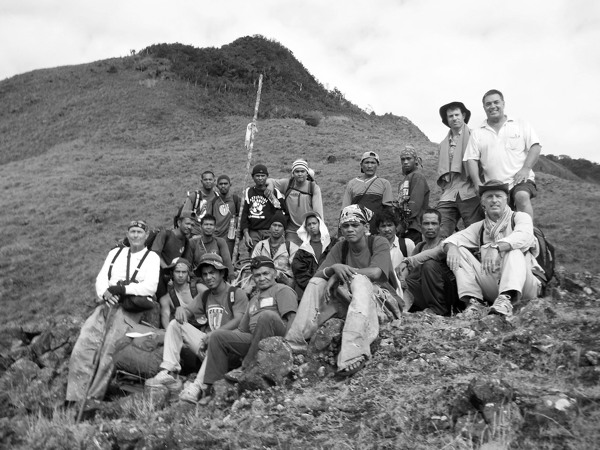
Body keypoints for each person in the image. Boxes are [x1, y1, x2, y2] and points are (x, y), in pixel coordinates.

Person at [286, 205, 401, 377]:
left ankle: (353, 352)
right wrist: (334, 268)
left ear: (366, 227)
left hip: (381, 303)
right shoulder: (341, 247)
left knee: (359, 279)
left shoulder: (378, 242)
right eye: (345, 226)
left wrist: (341, 273)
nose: (350, 229)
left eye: (355, 225)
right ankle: (295, 342)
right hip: (352, 301)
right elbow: (318, 275)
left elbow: (376, 273)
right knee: (317, 283)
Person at [66, 220, 160, 402]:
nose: (135, 236)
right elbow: (101, 279)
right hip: (107, 305)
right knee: (83, 346)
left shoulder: (152, 258)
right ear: (127, 233)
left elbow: (150, 287)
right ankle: (74, 398)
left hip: (130, 309)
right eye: (132, 231)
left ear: (146, 235)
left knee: (110, 350)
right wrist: (106, 294)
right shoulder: (115, 253)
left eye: (139, 232)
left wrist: (123, 290)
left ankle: (92, 399)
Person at [146, 253, 249, 403]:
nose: (208, 277)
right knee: (176, 324)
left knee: (215, 340)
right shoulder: (205, 296)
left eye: (212, 273)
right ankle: (168, 369)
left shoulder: (236, 293)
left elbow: (239, 320)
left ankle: (197, 387)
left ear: (221, 273)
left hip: (230, 348)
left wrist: (215, 334)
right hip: (209, 342)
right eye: (205, 274)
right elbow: (188, 311)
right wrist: (182, 310)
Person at [201, 256, 298, 403]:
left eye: (266, 273)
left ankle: (245, 367)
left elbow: (292, 320)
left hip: (277, 339)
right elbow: (242, 330)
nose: (262, 278)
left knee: (266, 316)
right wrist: (218, 337)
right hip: (254, 339)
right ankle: (213, 387)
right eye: (257, 275)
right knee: (218, 335)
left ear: (275, 274)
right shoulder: (253, 299)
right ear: (253, 278)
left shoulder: (283, 290)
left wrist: (289, 347)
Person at [443, 180, 542, 319]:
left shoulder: (520, 217)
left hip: (524, 284)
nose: (494, 200)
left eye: (498, 196)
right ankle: (475, 303)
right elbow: (451, 240)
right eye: (489, 197)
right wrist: (452, 247)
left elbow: (524, 236)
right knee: (459, 251)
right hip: (493, 284)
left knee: (513, 249)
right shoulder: (480, 227)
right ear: (483, 202)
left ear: (506, 200)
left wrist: (496, 247)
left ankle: (507, 299)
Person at [464, 89, 542, 218]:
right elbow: (471, 159)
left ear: (503, 104)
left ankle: (527, 233)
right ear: (484, 107)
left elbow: (535, 147)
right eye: (488, 104)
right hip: (495, 185)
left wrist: (525, 169)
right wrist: (477, 182)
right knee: (499, 220)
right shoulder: (477, 133)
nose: (493, 106)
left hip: (520, 180)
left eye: (496, 102)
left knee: (521, 197)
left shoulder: (520, 124)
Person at [437, 101, 484, 238]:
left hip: (470, 191)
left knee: (476, 232)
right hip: (449, 193)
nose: (454, 118)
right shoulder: (442, 144)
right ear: (447, 119)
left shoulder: (476, 136)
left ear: (463, 115)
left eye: (457, 114)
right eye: (450, 116)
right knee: (439, 231)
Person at [403, 209, 459, 316]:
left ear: (440, 226)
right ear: (420, 227)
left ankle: (439, 309)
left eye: (434, 223)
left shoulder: (446, 244)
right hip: (425, 292)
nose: (430, 227)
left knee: (429, 265)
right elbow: (410, 271)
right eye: (426, 224)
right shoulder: (419, 247)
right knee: (402, 281)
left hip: (446, 294)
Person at [266, 159, 324, 245]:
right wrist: (270, 191)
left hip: (308, 229)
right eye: (297, 171)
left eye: (302, 171)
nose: (300, 174)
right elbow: (269, 181)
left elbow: (317, 211)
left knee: (309, 256)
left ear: (307, 173)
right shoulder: (287, 184)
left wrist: (320, 229)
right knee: (291, 256)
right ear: (293, 173)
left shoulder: (313, 187)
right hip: (291, 231)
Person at [240, 164, 287, 251]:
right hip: (254, 231)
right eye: (257, 176)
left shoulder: (274, 192)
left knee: (270, 256)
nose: (260, 178)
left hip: (270, 232)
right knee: (254, 258)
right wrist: (246, 234)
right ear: (252, 177)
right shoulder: (248, 192)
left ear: (267, 176)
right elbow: (244, 215)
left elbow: (282, 211)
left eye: (263, 176)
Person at [342, 151, 394, 229]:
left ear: (378, 165)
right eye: (366, 162)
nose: (369, 166)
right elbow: (345, 209)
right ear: (361, 165)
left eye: (373, 163)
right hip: (357, 227)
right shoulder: (352, 184)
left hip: (376, 227)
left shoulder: (384, 183)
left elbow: (388, 209)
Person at [291, 211, 336, 297]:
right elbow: (299, 272)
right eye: (309, 224)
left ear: (320, 224)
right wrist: (313, 284)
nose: (312, 226)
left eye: (314, 223)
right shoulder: (302, 250)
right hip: (311, 287)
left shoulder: (332, 243)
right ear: (306, 228)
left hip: (333, 283)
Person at [151, 211, 194, 300]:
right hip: (158, 275)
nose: (190, 227)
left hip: (174, 277)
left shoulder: (186, 242)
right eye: (187, 223)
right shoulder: (165, 234)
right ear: (179, 223)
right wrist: (166, 268)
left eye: (192, 225)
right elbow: (154, 253)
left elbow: (185, 261)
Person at [374, 209, 414, 301]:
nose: (387, 229)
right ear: (377, 229)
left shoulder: (406, 244)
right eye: (383, 226)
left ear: (396, 227)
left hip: (403, 289)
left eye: (389, 225)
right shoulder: (373, 247)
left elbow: (414, 268)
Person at [251, 210, 299, 288]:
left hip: (284, 284)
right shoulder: (261, 245)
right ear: (270, 227)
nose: (276, 228)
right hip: (263, 281)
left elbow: (295, 271)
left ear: (284, 229)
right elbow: (253, 265)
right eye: (274, 225)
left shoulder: (291, 247)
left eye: (280, 226)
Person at [397, 145, 430, 244]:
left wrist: (403, 224)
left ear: (415, 160)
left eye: (408, 159)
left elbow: (414, 204)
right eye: (403, 159)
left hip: (415, 227)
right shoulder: (403, 181)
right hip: (405, 227)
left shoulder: (417, 177)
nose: (405, 162)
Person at [189, 214, 234, 280]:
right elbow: (188, 264)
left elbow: (228, 263)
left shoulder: (220, 242)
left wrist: (232, 279)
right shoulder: (193, 242)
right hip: (199, 279)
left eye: (211, 225)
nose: (208, 227)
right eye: (206, 224)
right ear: (200, 227)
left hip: (217, 279)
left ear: (215, 227)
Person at [158, 258, 197, 330]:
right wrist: (169, 332)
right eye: (177, 271)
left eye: (184, 272)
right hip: (181, 331)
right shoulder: (166, 298)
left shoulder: (198, 289)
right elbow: (165, 315)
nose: (181, 275)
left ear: (188, 273)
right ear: (172, 273)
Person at [207, 175, 241, 257]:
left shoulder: (236, 200)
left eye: (225, 184)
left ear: (230, 184)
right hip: (215, 237)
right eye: (221, 184)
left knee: (228, 260)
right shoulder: (213, 201)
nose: (223, 186)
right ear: (217, 186)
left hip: (230, 237)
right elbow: (208, 219)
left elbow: (242, 217)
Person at [179, 170, 218, 237]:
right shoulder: (195, 196)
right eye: (205, 179)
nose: (208, 181)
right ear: (201, 181)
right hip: (194, 234)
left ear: (214, 180)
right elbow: (184, 215)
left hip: (211, 234)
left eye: (210, 179)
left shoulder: (218, 197)